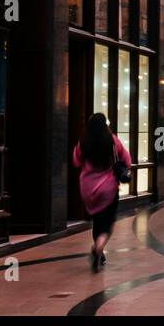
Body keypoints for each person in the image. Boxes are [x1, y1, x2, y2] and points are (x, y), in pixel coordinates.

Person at [72, 113, 131, 272]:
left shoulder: (83, 142)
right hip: (107, 188)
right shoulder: (112, 140)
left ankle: (100, 253)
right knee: (107, 223)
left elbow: (76, 161)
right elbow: (127, 159)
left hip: (87, 188)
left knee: (97, 221)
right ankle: (98, 247)